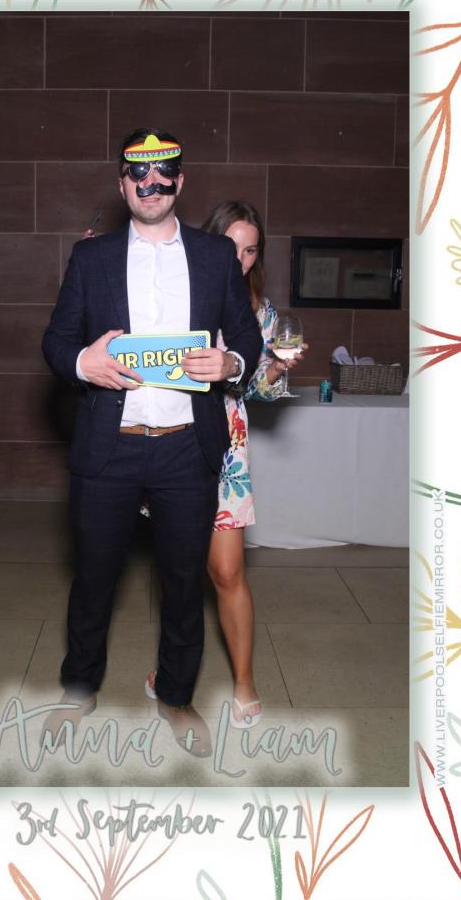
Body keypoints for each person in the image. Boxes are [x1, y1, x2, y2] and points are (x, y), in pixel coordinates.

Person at [41, 129, 263, 757]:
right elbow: (56, 340)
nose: (152, 184)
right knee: (93, 579)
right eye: (138, 174)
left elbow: (247, 337)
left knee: (183, 583)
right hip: (108, 447)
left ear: (180, 182)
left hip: (186, 447)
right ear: (122, 185)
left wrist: (231, 364)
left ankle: (175, 695)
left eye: (164, 173)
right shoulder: (92, 258)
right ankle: (78, 691)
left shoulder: (216, 256)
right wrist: (82, 363)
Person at [144, 201, 306, 728]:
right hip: (171, 440)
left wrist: (275, 368)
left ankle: (244, 680)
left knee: (227, 570)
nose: (240, 258)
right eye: (232, 246)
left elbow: (256, 389)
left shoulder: (261, 312)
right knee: (177, 572)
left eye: (251, 249)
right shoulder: (175, 290)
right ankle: (172, 675)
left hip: (227, 451)